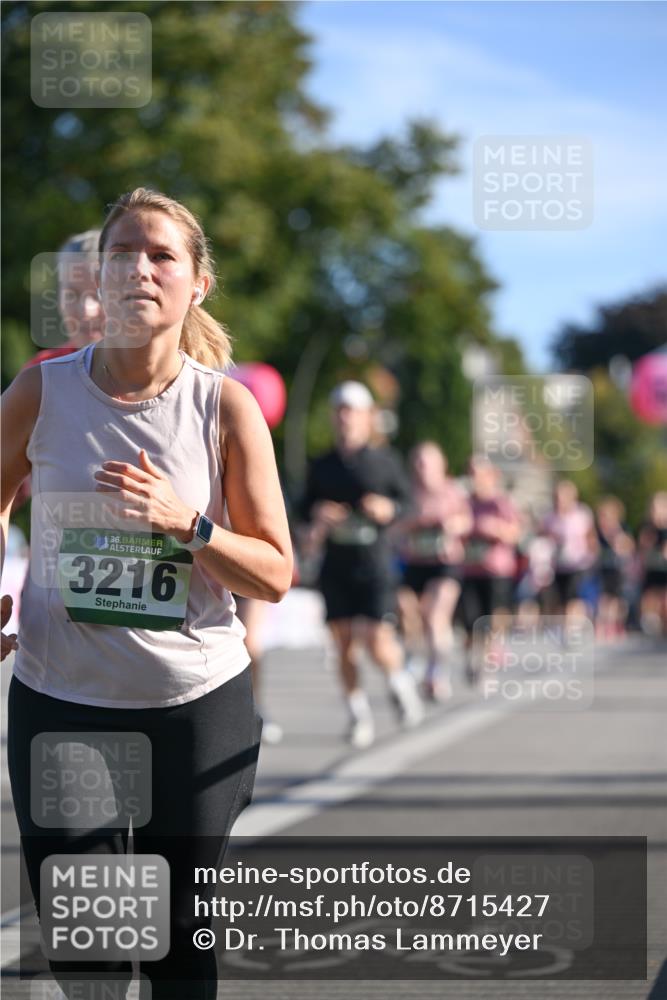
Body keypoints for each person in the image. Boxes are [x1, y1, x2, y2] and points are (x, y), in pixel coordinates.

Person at [0, 187, 293, 999]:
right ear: (99, 274)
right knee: (89, 954)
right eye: (122, 250)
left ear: (196, 282)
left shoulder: (225, 407)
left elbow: (273, 568)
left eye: (161, 253)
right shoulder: (41, 392)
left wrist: (188, 524)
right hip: (62, 700)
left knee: (177, 955)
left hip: (195, 703)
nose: (140, 266)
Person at [300, 381, 423, 749]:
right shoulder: (321, 465)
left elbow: (408, 504)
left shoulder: (385, 461)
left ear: (368, 418)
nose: (345, 418)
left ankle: (400, 684)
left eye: (352, 411)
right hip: (337, 564)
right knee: (344, 645)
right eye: (339, 410)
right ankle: (358, 714)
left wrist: (389, 509)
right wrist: (318, 512)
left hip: (376, 563)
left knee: (376, 638)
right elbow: (301, 507)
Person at [392, 442, 471, 701]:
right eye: (417, 462)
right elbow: (396, 526)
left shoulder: (452, 490)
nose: (420, 468)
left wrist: (450, 525)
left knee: (436, 616)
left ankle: (437, 672)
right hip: (415, 561)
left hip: (444, 562)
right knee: (406, 611)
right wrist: (412, 524)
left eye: (425, 463)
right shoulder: (409, 493)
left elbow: (466, 521)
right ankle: (415, 655)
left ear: (440, 465)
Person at [459, 456, 522, 683]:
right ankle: (471, 657)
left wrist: (495, 529)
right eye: (471, 473)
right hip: (469, 568)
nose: (474, 478)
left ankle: (486, 663)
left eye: (478, 473)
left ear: (490, 476)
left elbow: (515, 533)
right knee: (469, 619)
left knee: (490, 617)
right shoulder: (465, 503)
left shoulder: (501, 503)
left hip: (496, 568)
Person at [541, 480, 597, 620]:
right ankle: (565, 629)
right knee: (561, 598)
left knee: (574, 598)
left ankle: (574, 629)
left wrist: (591, 556)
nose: (560, 501)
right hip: (558, 565)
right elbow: (543, 536)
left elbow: (591, 538)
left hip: (578, 563)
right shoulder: (550, 517)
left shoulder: (582, 514)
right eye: (557, 498)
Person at [594, 496, 634, 642]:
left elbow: (628, 546)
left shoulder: (622, 528)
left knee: (617, 600)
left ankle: (615, 625)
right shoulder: (598, 532)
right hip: (603, 569)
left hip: (618, 569)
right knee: (604, 598)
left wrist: (617, 538)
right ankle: (602, 625)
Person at [638, 491, 667, 637]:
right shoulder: (647, 528)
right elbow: (643, 546)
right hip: (652, 568)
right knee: (650, 598)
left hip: (664, 568)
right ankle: (651, 623)